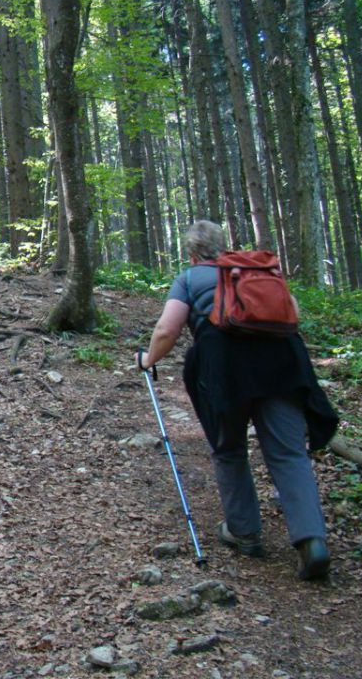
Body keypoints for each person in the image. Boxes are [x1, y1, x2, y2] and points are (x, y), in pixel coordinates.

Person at [136, 220, 338, 581]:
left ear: (192, 252)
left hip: (224, 371)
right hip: (283, 365)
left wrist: (148, 360)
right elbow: (292, 312)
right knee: (289, 454)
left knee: (229, 449)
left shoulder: (189, 279)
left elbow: (168, 329)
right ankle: (312, 541)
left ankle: (244, 533)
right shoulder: (255, 272)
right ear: (224, 246)